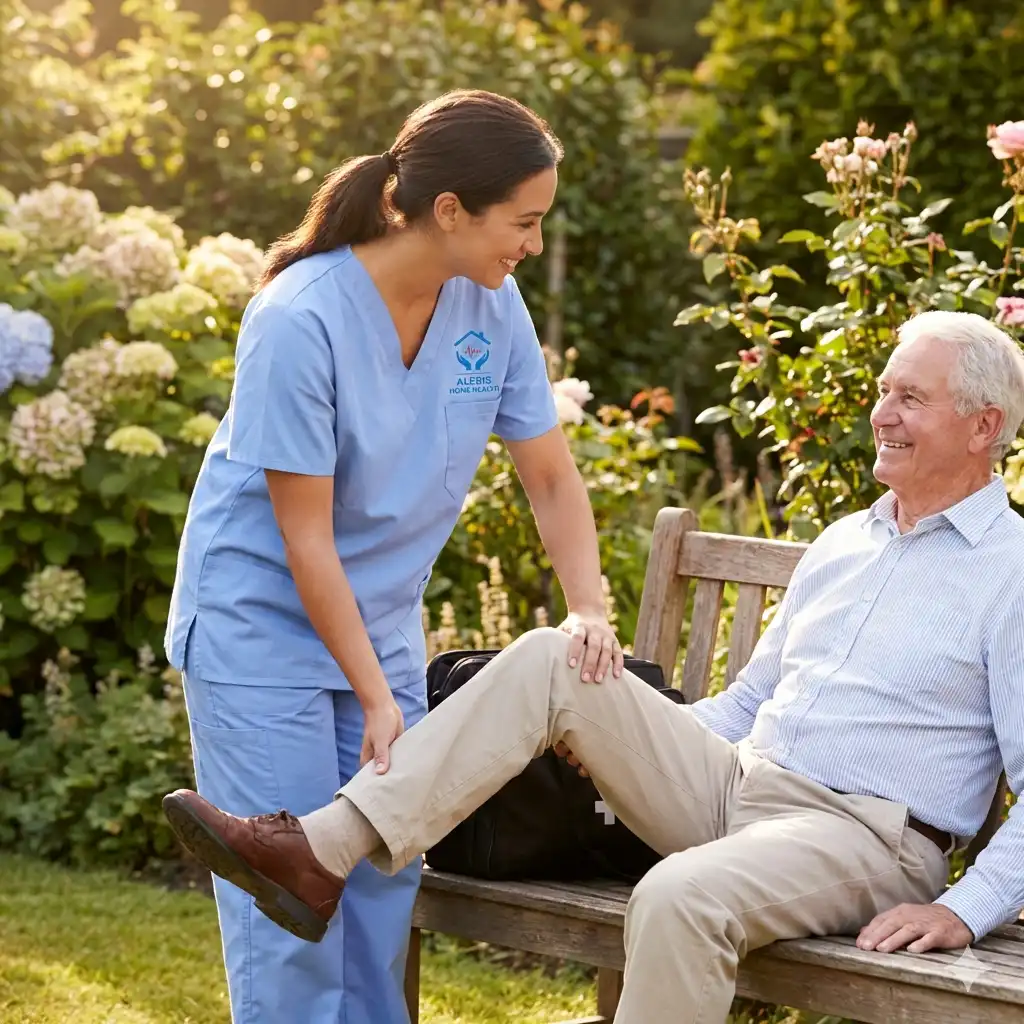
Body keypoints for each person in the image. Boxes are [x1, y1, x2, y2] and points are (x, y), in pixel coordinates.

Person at [164, 307, 1024, 1024]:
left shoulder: (1010, 575)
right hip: (735, 784)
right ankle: (323, 849)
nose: (882, 413)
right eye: (882, 392)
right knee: (555, 658)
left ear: (984, 426)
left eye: (911, 398)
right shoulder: (849, 542)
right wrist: (620, 733)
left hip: (863, 838)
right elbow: (749, 703)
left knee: (680, 898)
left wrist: (961, 908)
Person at [163, 88, 626, 1024]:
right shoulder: (299, 318)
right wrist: (378, 696)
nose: (531, 245)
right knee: (290, 915)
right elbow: (303, 536)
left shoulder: (490, 309)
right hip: (262, 630)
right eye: (522, 222)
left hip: (377, 626)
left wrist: (589, 607)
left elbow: (548, 475)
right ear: (449, 209)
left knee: (380, 889)